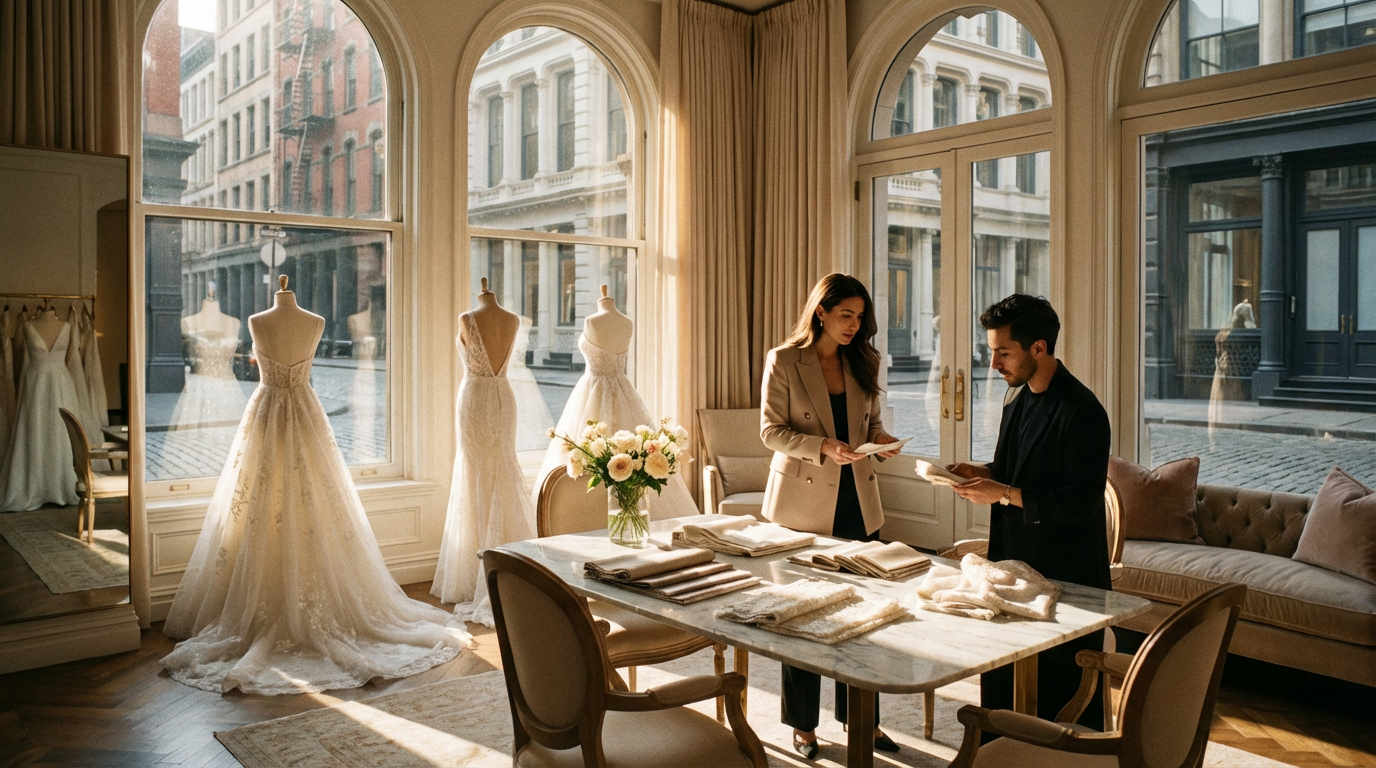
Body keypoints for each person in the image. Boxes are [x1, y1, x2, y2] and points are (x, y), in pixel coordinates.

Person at [947, 294, 1112, 732]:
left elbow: (1077, 503)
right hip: (1014, 563)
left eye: (1003, 352)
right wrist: (979, 471)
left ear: (1038, 348)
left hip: (1066, 573)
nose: (994, 362)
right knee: (1002, 677)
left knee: (1059, 696)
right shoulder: (1016, 401)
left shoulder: (1083, 412)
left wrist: (1000, 491)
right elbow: (1013, 471)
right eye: (991, 351)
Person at [759, 273, 903, 758]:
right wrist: (820, 445)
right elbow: (770, 432)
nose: (854, 325)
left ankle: (862, 720)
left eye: (860, 317)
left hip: (859, 503)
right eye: (846, 315)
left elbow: (873, 424)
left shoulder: (864, 359)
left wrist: (882, 443)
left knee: (866, 616)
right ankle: (802, 725)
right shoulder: (784, 360)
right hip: (803, 505)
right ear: (821, 311)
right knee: (804, 616)